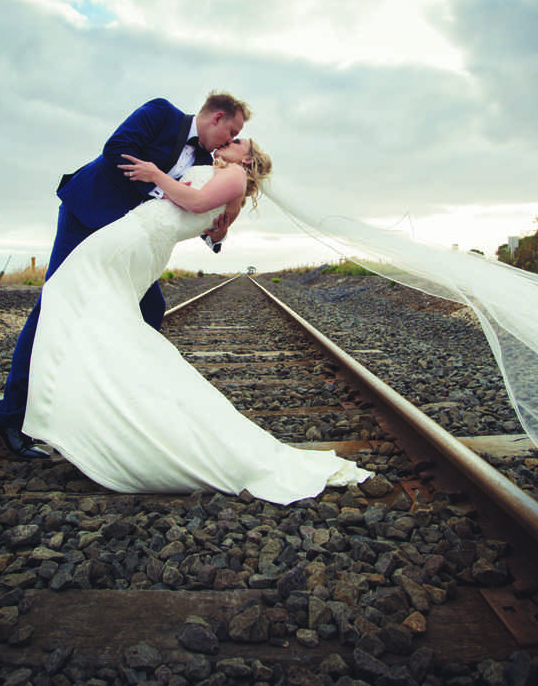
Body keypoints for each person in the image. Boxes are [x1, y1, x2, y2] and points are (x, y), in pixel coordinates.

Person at [21, 138, 373, 502]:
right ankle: (76, 406)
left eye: (238, 142)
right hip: (139, 237)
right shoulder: (229, 184)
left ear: (247, 158)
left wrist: (155, 174)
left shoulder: (235, 176)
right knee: (90, 309)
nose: (229, 142)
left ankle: (69, 407)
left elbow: (197, 202)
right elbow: (215, 227)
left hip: (136, 237)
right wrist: (214, 226)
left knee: (73, 295)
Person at [0, 93, 250, 458]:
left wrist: (216, 233)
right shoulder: (162, 113)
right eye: (232, 132)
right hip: (87, 215)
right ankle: (11, 416)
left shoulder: (208, 161)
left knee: (149, 310)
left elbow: (194, 206)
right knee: (53, 307)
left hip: (127, 241)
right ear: (217, 118)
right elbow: (117, 149)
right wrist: (159, 189)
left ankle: (116, 411)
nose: (229, 141)